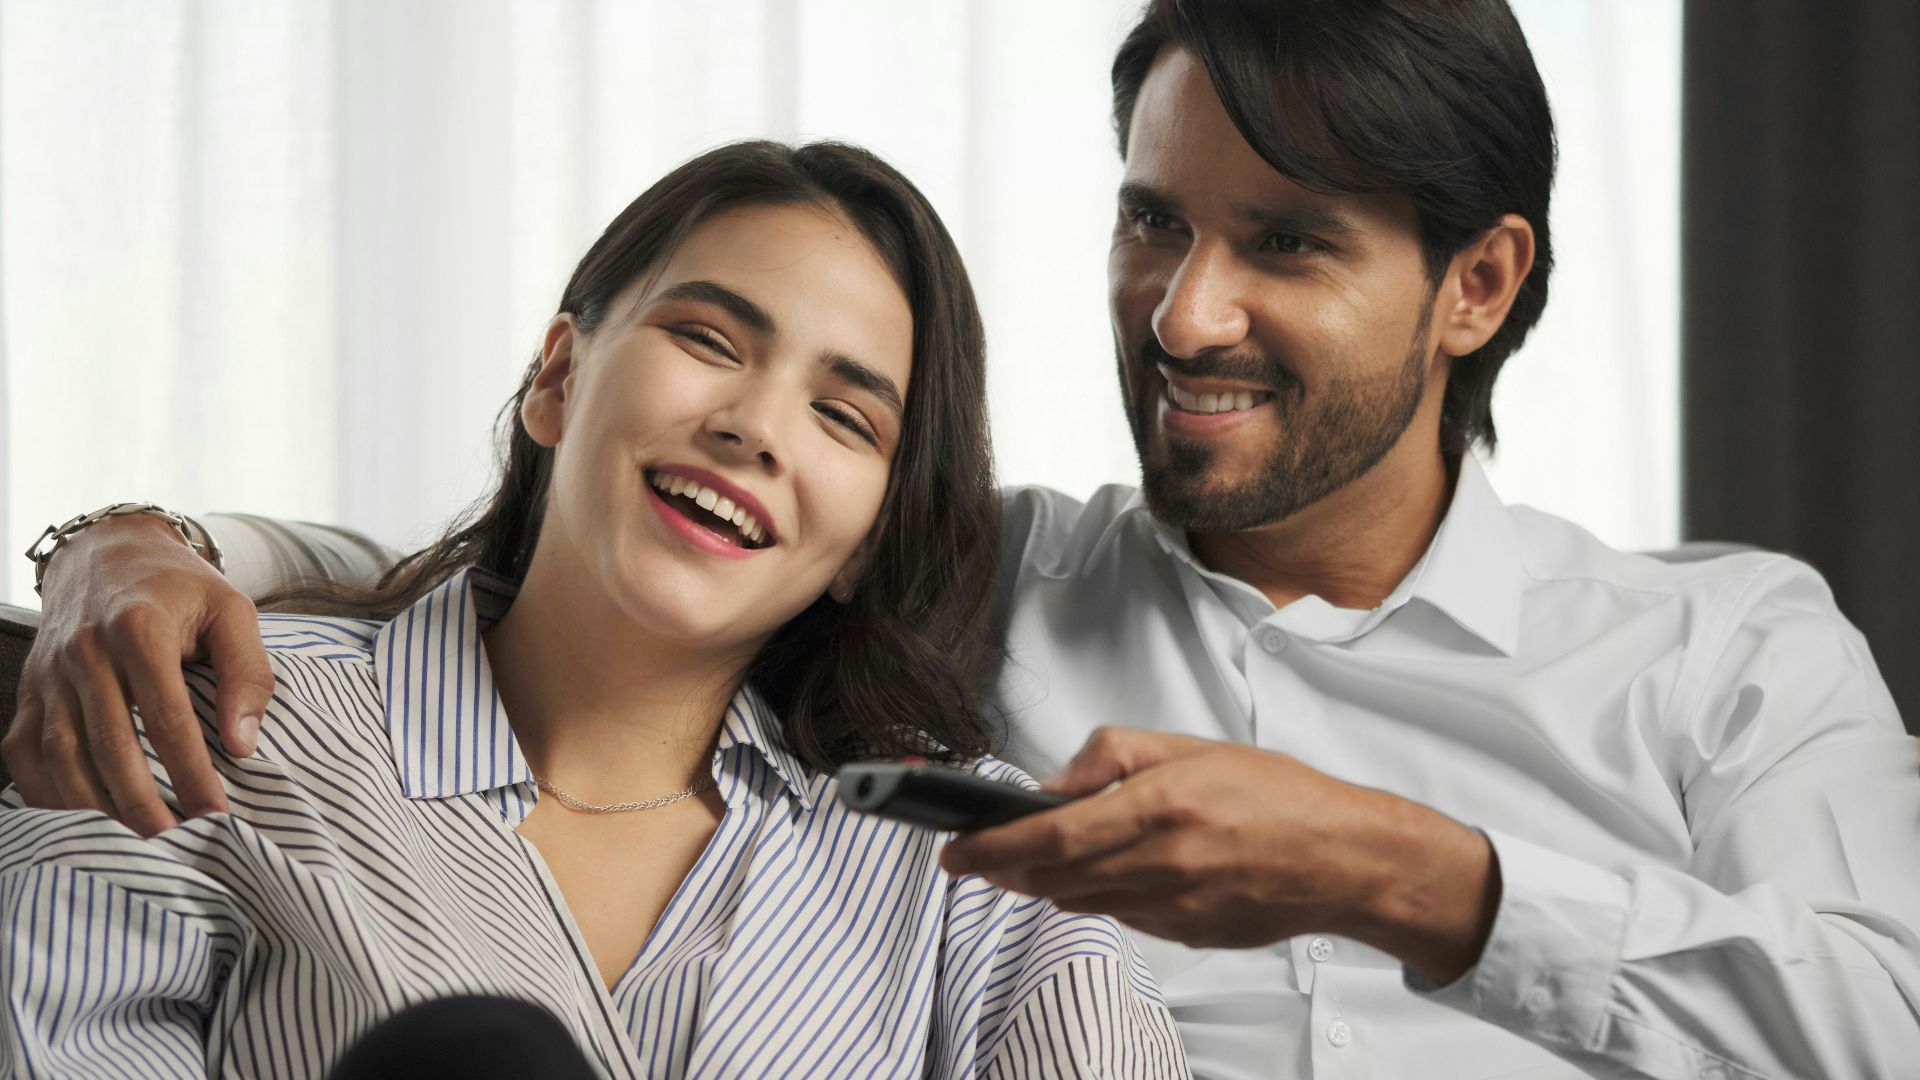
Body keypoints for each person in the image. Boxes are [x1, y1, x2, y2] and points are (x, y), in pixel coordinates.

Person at [12, 0, 1920, 1077]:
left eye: (1286, 244)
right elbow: (580, 558)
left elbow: (1883, 1024)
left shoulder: (1727, 656)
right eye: (1155, 223)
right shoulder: (967, 599)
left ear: (1476, 287)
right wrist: (128, 547)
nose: (1180, 317)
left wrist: (1418, 878)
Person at [0, 139, 1189, 1078]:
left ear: (864, 546)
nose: (755, 426)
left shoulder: (974, 865)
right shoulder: (206, 730)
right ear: (559, 377)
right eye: (709, 339)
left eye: (845, 417)